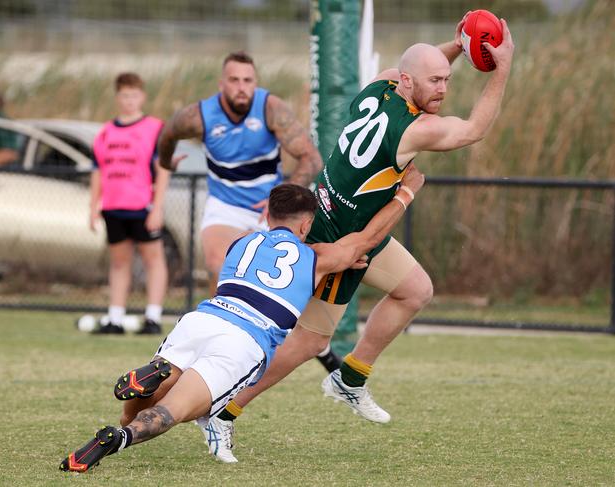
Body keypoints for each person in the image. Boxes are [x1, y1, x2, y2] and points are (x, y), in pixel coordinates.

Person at [199, 15, 515, 462]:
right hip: (341, 238)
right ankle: (223, 412)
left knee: (416, 290)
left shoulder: (379, 87)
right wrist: (501, 68)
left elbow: (419, 66)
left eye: (446, 79)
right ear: (407, 82)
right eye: (435, 81)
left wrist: (460, 46)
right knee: (307, 343)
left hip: (357, 225)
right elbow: (473, 130)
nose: (443, 88)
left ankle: (350, 379)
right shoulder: (413, 129)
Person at [59, 175, 424, 472]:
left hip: (203, 319)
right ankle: (121, 439)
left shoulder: (241, 241)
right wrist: (405, 194)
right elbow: (369, 241)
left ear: (267, 216)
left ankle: (145, 389)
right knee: (183, 410)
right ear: (307, 224)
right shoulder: (318, 256)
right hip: (244, 339)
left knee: (152, 392)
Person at [157, 51, 341, 370]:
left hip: (268, 212)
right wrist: (165, 162)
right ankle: (221, 350)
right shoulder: (199, 116)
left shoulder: (271, 109)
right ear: (221, 84)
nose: (242, 87)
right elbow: (168, 133)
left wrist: (278, 198)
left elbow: (311, 159)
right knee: (219, 263)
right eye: (234, 80)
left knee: (295, 278)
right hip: (225, 207)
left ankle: (317, 343)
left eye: (248, 80)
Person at [90, 72, 171, 334]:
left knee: (153, 259)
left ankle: (153, 316)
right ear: (117, 97)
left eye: (134, 95)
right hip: (114, 206)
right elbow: (98, 171)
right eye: (125, 95)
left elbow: (163, 169)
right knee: (118, 262)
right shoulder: (105, 132)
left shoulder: (154, 127)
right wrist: (93, 206)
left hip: (142, 206)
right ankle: (115, 317)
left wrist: (157, 207)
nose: (129, 101)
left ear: (142, 97)